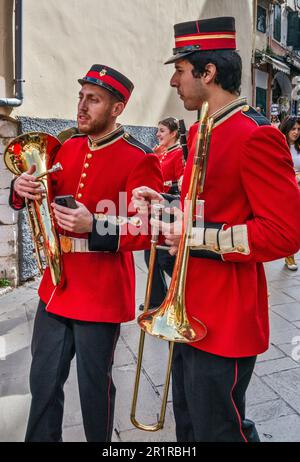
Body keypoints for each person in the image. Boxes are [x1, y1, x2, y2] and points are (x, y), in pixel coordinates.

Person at [132, 17, 300, 442]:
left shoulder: (253, 135)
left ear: (207, 73)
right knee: (189, 425)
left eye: (180, 70)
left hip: (227, 318)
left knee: (220, 431)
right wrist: (167, 204)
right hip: (189, 307)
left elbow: (285, 233)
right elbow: (208, 208)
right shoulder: (205, 130)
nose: (173, 81)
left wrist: (193, 238)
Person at [9, 64, 163, 442]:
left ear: (117, 108)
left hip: (101, 290)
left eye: (93, 100)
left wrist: (94, 225)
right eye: (81, 97)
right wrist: (20, 186)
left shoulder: (138, 158)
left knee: (94, 387)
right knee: (43, 381)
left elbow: (146, 230)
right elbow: (36, 194)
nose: (82, 106)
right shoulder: (69, 146)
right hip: (57, 286)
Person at [139, 117, 184, 311]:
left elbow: (181, 184)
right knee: (149, 252)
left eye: (162, 131)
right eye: (158, 130)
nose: (158, 134)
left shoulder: (179, 153)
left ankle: (182, 291)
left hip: (170, 206)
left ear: (173, 133)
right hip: (156, 207)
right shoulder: (160, 152)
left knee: (165, 257)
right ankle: (157, 297)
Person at [279, 115, 300, 271]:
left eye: (299, 129)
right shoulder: (280, 146)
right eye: (293, 129)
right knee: (292, 225)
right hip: (287, 190)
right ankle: (290, 256)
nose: (296, 132)